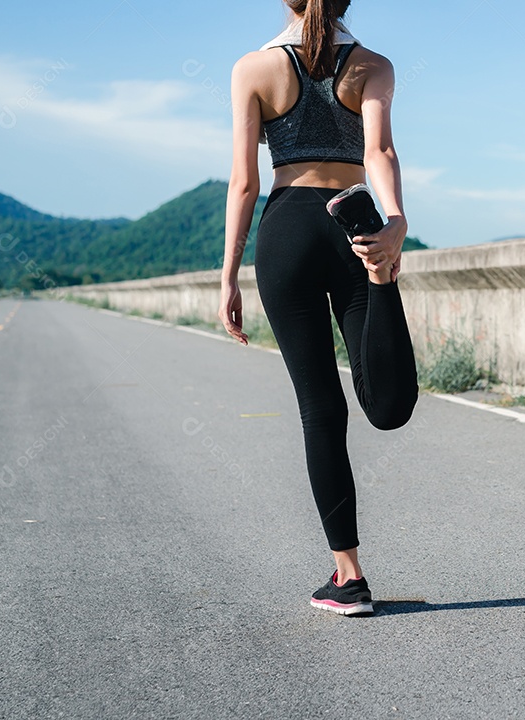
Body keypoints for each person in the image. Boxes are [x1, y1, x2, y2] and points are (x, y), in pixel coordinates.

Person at [218, 0, 418, 616]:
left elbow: (244, 181)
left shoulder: (251, 68)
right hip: (352, 224)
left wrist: (228, 276)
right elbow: (380, 153)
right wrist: (395, 226)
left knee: (319, 410)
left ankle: (348, 577)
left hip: (287, 235)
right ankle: (381, 281)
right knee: (386, 406)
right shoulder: (375, 67)